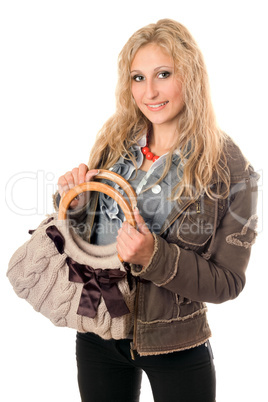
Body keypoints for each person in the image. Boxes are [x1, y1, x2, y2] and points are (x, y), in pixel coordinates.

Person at [55, 18, 259, 402]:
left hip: (175, 344)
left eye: (163, 74)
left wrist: (154, 257)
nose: (149, 92)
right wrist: (78, 204)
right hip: (97, 330)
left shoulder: (231, 168)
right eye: (137, 78)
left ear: (191, 76)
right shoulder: (114, 142)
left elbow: (229, 282)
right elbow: (87, 244)